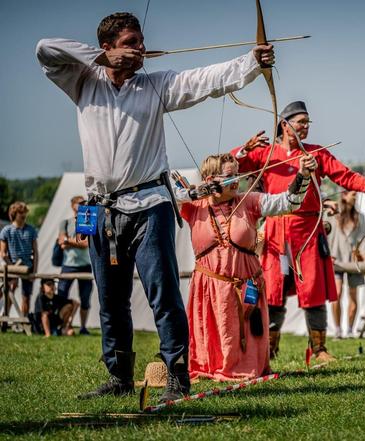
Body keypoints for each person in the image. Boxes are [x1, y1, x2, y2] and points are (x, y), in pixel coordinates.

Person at [36, 12, 274, 401]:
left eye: (142, 41)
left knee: (162, 293)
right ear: (108, 46)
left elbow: (206, 81)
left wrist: (251, 62)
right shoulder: (81, 81)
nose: (140, 49)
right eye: (130, 42)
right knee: (111, 300)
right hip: (103, 210)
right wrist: (99, 61)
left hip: (150, 205)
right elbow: (44, 49)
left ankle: (177, 377)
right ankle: (119, 377)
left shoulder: (157, 84)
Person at [231, 101, 365, 362]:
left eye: (308, 123)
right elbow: (229, 168)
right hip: (276, 231)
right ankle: (269, 348)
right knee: (273, 291)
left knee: (313, 291)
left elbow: (346, 177)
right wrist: (243, 149)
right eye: (301, 122)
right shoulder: (265, 154)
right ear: (285, 126)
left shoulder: (316, 154)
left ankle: (319, 349)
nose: (306, 127)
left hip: (307, 230)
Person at [179, 153, 316, 381]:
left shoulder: (249, 201)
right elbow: (165, 198)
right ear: (212, 178)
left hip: (244, 287)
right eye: (230, 176)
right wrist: (196, 192)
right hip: (208, 288)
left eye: (238, 175)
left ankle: (243, 367)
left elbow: (288, 202)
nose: (237, 181)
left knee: (242, 334)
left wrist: (303, 175)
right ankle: (209, 366)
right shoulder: (193, 206)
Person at [327, 190, 365, 339]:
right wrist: (327, 254)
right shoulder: (333, 214)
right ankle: (338, 330)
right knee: (337, 293)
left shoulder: (360, 217)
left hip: (354, 261)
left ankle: (351, 329)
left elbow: (362, 240)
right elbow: (325, 233)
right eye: (353, 194)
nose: (355, 197)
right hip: (336, 260)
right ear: (344, 194)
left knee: (353, 295)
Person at [57, 196, 93, 335]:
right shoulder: (65, 222)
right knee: (62, 297)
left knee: (85, 298)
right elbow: (61, 243)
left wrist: (68, 241)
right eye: (80, 203)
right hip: (68, 265)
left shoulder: (88, 220)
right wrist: (69, 241)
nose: (83, 205)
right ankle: (63, 325)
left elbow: (85, 244)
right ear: (73, 205)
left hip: (85, 265)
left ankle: (83, 327)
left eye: (84, 202)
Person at [0, 202, 39, 316]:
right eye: (21, 212)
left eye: (25, 212)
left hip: (28, 267)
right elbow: (3, 253)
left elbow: (35, 252)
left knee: (26, 297)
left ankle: (23, 322)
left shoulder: (31, 230)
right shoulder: (6, 230)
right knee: (9, 292)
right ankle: (5, 319)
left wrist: (35, 271)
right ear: (14, 213)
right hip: (12, 267)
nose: (24, 215)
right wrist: (12, 266)